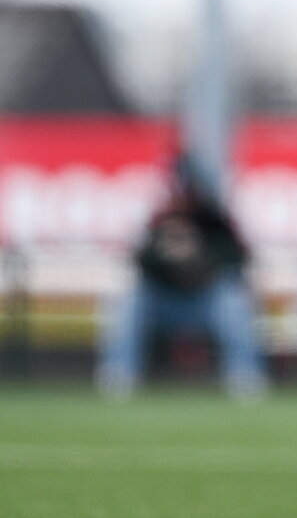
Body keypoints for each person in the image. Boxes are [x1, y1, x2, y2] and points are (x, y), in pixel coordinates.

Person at [96, 154, 268, 397]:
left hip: (207, 302)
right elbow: (140, 261)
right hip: (165, 303)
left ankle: (246, 375)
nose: (183, 195)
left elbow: (239, 259)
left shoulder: (215, 220)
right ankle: (119, 374)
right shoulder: (160, 219)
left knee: (233, 298)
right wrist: (167, 254)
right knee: (132, 300)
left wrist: (198, 255)